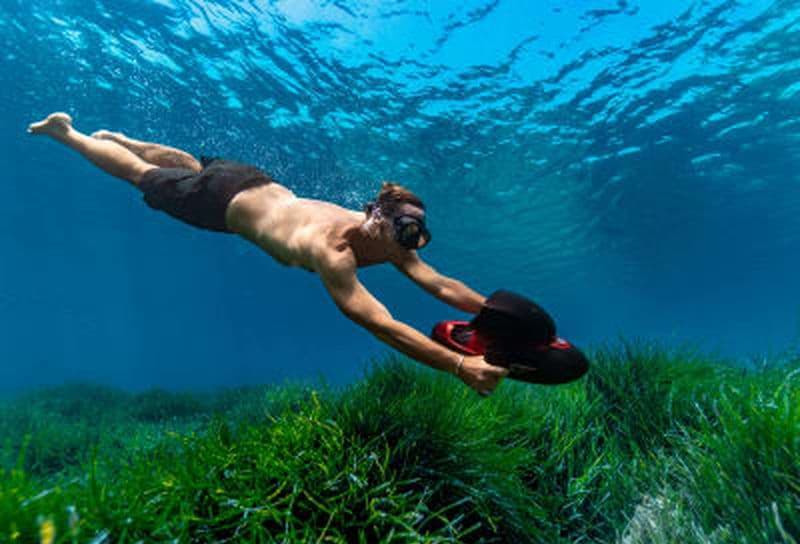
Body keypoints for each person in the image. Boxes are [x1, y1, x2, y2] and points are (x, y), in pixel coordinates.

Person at [27, 112, 509, 395]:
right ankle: (68, 133)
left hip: (250, 178)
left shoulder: (389, 242)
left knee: (193, 164)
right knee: (138, 175)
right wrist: (460, 366)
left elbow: (442, 285)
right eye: (406, 229)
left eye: (419, 235)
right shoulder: (333, 249)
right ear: (376, 217)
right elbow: (381, 324)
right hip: (222, 202)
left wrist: (498, 312)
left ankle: (128, 139)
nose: (412, 243)